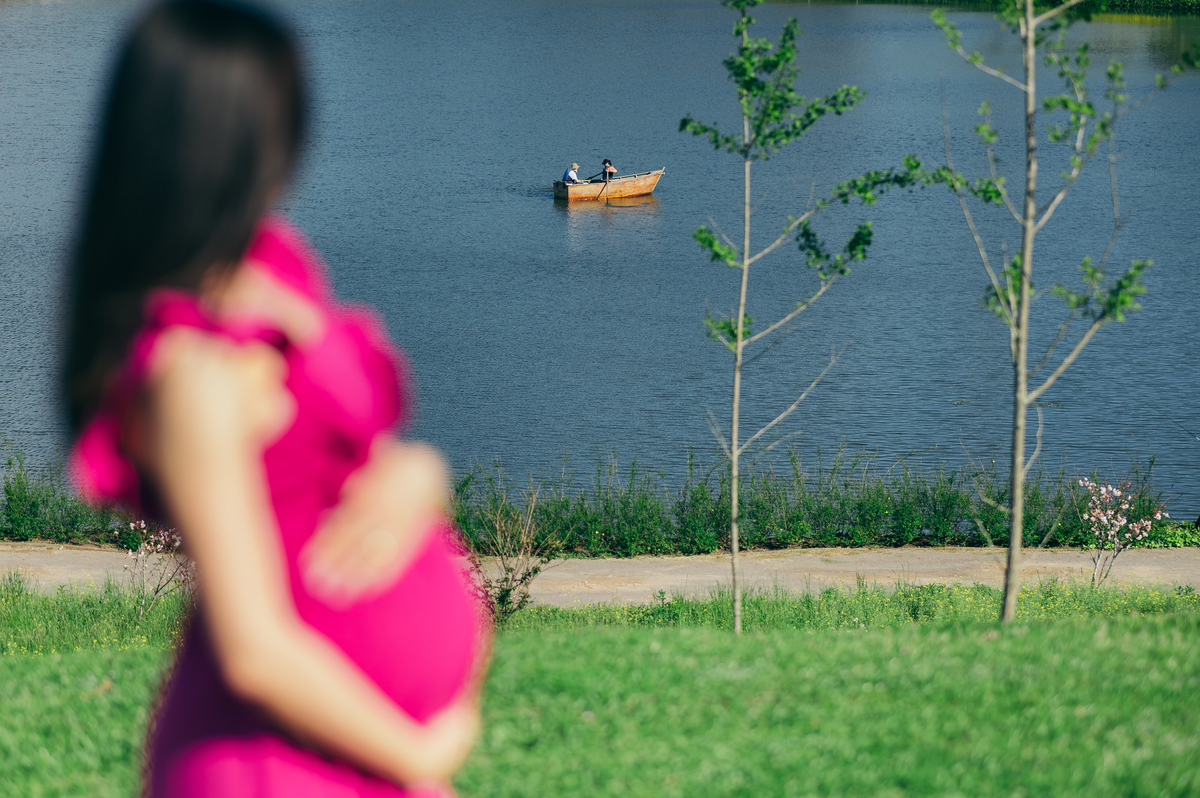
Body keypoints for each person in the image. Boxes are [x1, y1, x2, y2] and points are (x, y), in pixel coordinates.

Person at [63, 2, 486, 796]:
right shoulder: (187, 373)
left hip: (351, 745)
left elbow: (358, 457)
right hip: (272, 763)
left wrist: (419, 475)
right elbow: (254, 648)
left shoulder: (276, 281)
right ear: (225, 140)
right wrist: (418, 760)